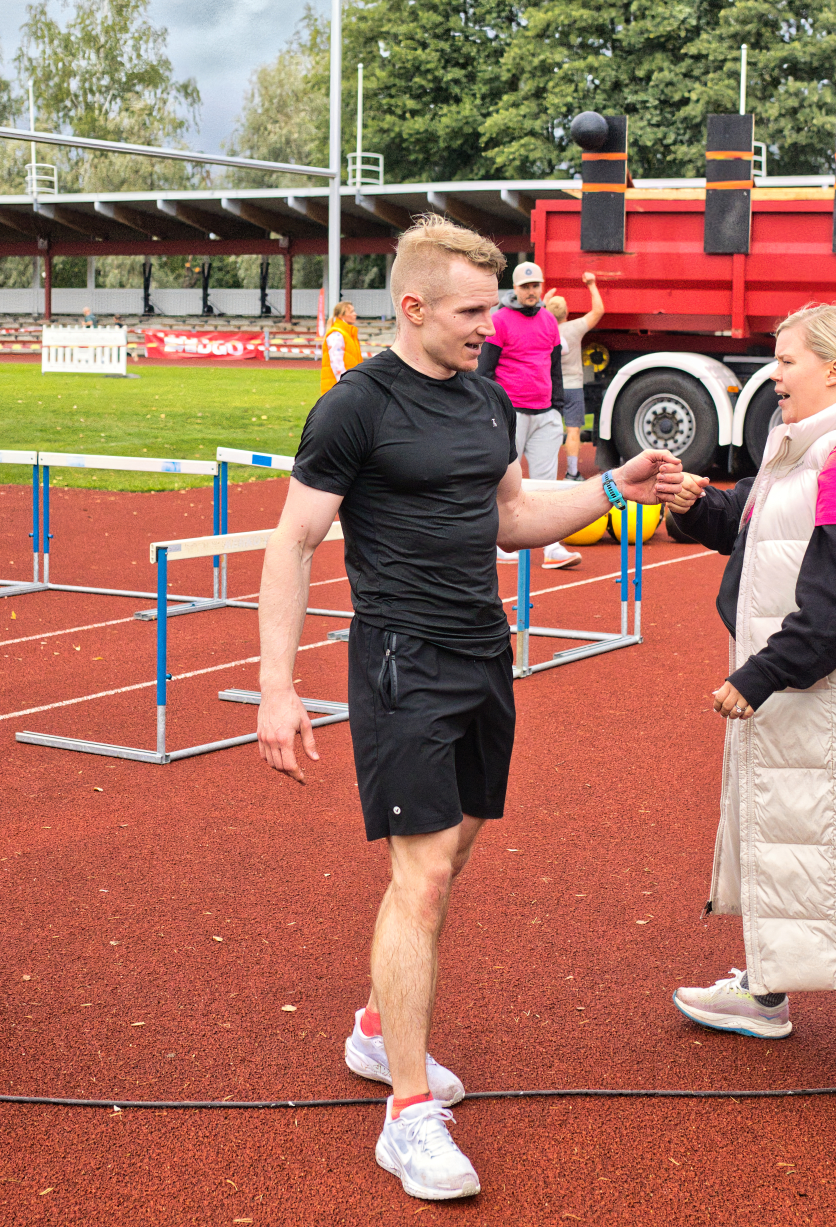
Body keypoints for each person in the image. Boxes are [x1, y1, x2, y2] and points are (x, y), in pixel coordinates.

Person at [254, 217, 682, 1200]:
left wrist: (612, 487)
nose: (493, 326)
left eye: (493, 308)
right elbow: (293, 543)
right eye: (473, 311)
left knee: (456, 852)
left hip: (486, 656)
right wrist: (277, 687)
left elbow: (512, 519)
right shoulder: (353, 408)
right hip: (400, 662)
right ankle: (407, 1115)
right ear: (413, 307)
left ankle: (376, 1029)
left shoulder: (487, 399)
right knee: (423, 878)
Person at [664, 302, 836, 1122]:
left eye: (786, 360)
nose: (773, 375)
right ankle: (764, 991)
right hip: (822, 694)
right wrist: (693, 502)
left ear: (834, 368)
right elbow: (751, 530)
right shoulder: (813, 443)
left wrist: (763, 673)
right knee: (793, 841)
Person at [477, 260, 578, 569]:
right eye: (526, 286)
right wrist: (491, 411)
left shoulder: (549, 321)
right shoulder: (499, 320)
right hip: (512, 414)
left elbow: (555, 367)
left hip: (545, 413)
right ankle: (501, 542)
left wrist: (557, 407)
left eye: (536, 286)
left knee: (546, 485)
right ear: (515, 289)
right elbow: (485, 370)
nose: (531, 291)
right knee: (504, 481)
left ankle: (552, 547)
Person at [544, 271, 604, 482]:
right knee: (573, 431)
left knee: (547, 431)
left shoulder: (543, 329)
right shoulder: (575, 328)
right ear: (567, 312)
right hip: (573, 387)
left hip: (551, 387)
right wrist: (591, 284)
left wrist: (545, 300)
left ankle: (545, 473)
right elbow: (598, 310)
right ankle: (571, 473)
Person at [320, 299, 363, 395]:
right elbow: (336, 363)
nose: (355, 314)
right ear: (341, 315)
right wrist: (345, 384)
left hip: (349, 385)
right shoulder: (336, 334)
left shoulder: (349, 335)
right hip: (339, 388)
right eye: (351, 312)